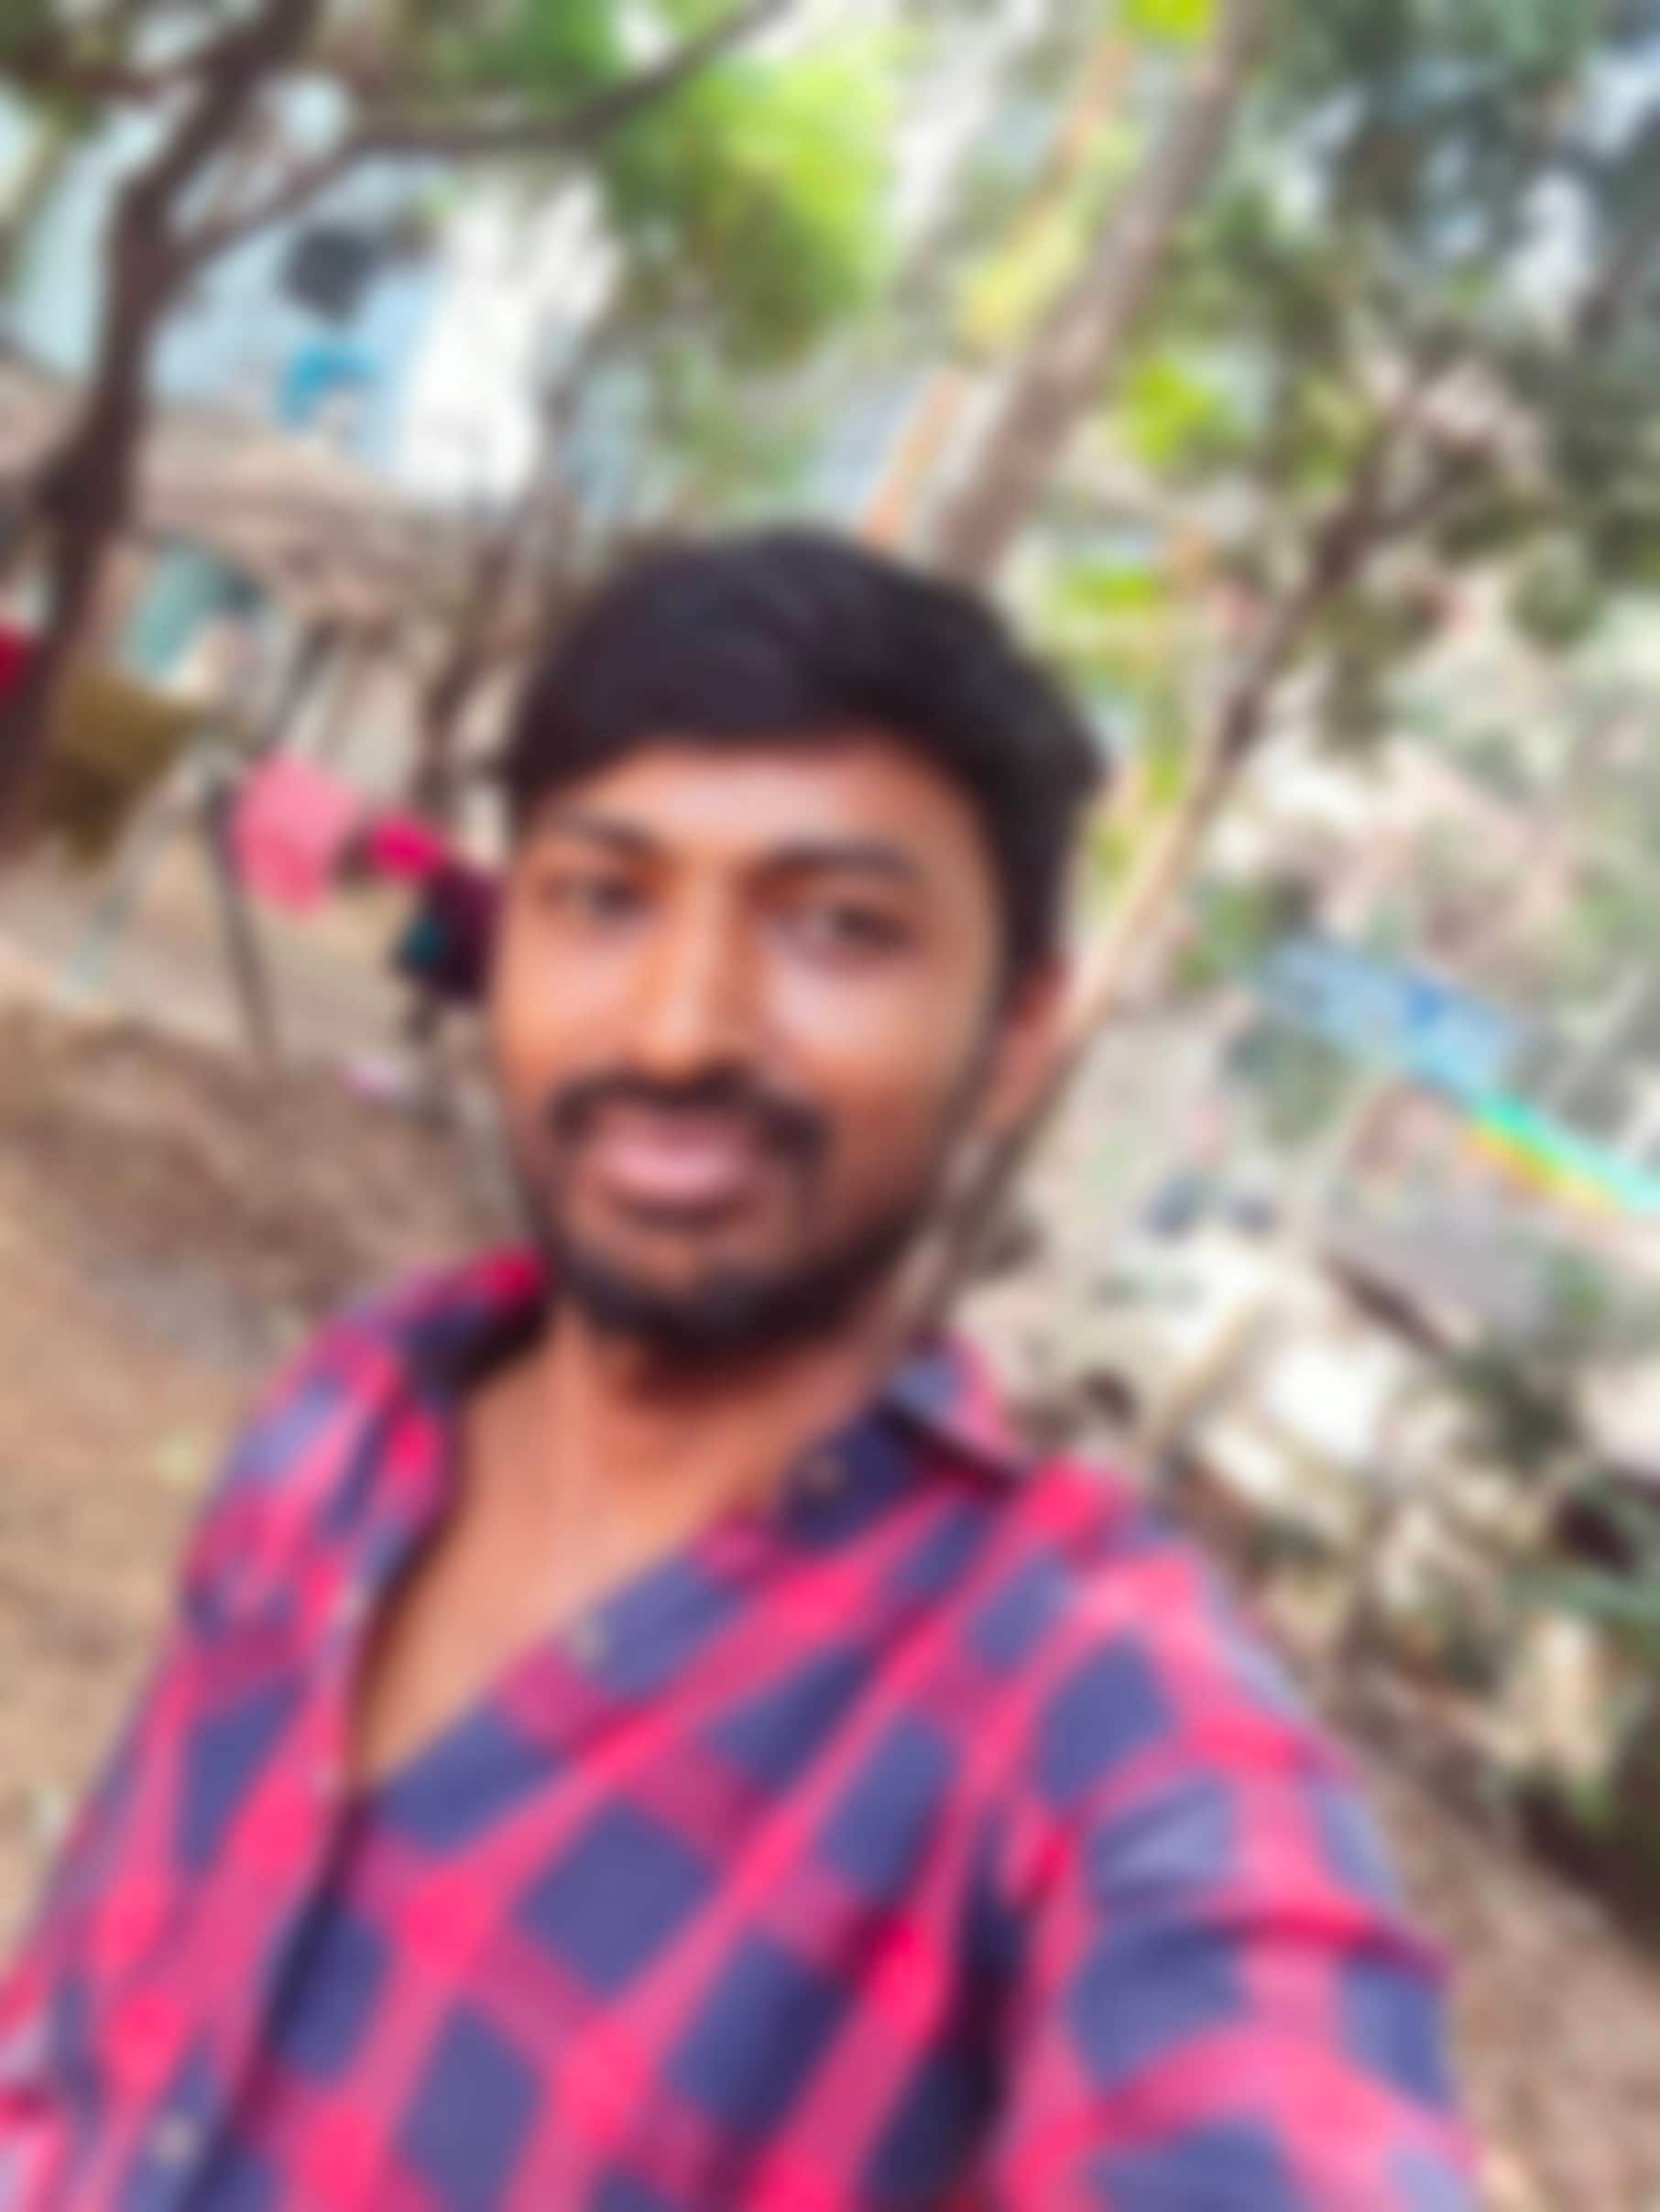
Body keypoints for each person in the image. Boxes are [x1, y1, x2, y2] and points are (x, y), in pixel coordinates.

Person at [0, 532, 1469, 2208]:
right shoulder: (353, 1405)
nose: (680, 1027)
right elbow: (90, 2024)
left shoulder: (1083, 1720)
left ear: (1014, 1034)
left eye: (839, 928)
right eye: (603, 898)